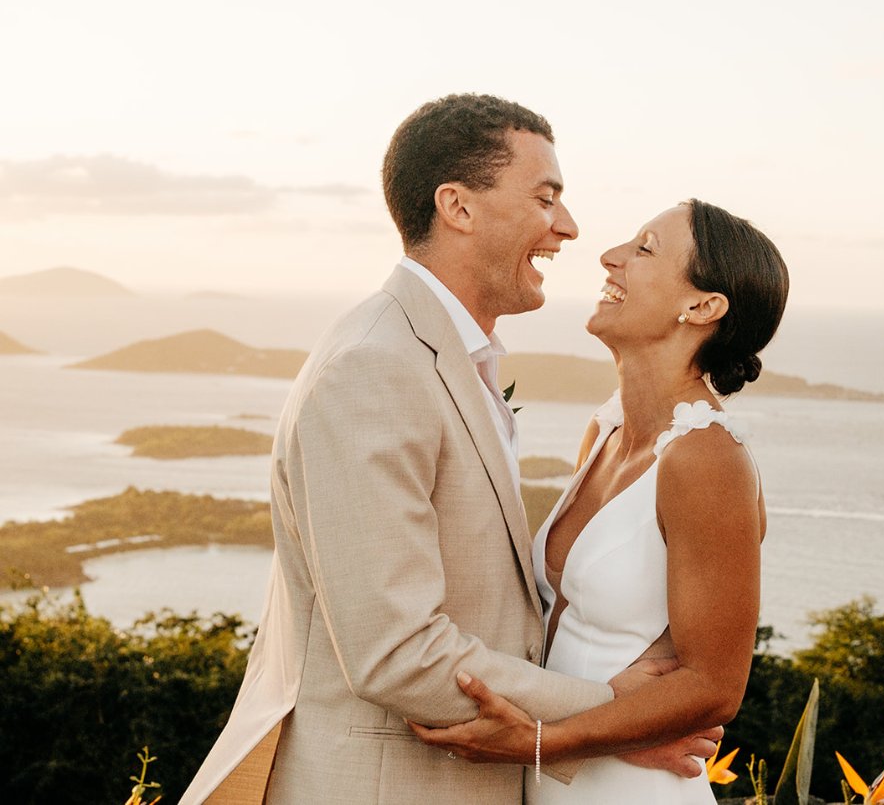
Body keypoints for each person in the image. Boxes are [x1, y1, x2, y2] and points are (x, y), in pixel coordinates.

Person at [178, 95, 717, 805]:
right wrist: (608, 716)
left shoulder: (445, 357)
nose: (569, 227)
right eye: (545, 197)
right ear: (457, 208)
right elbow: (396, 652)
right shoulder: (376, 367)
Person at [410, 200, 789, 802]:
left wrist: (543, 742)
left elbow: (716, 686)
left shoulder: (707, 460)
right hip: (558, 775)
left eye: (644, 248)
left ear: (701, 306)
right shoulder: (607, 429)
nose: (610, 257)